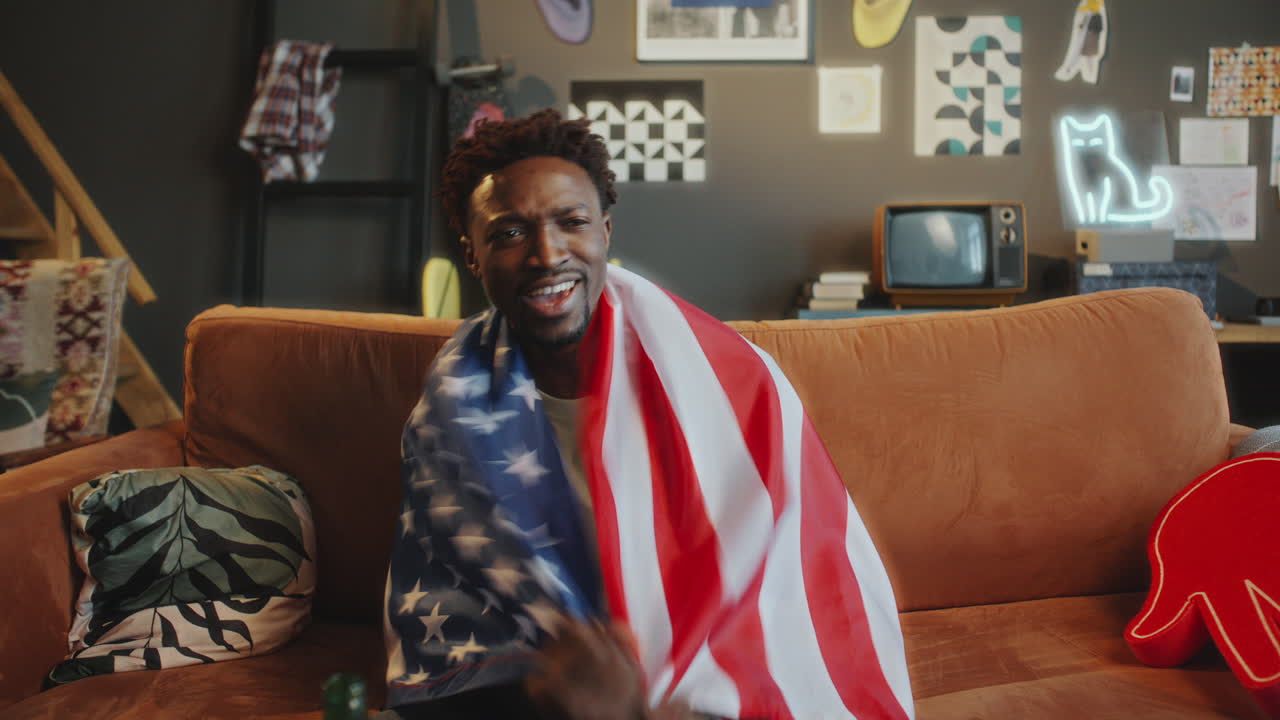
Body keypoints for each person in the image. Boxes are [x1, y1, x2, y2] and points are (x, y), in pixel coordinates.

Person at [381, 109, 913, 720]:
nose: (547, 254)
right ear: (472, 256)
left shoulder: (730, 381)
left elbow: (790, 582)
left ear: (605, 231)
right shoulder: (452, 405)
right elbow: (453, 614)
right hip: (532, 689)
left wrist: (641, 700)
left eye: (572, 222)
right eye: (509, 233)